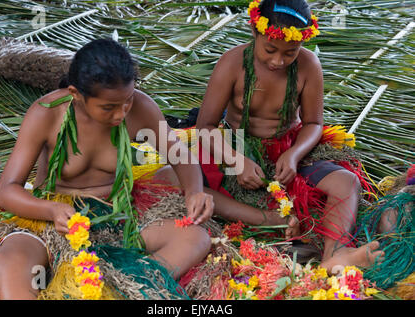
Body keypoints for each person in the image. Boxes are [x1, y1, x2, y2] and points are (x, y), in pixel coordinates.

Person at [157, 0, 384, 274]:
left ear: (302, 41)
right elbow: (205, 127)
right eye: (270, 50)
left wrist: (294, 155)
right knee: (179, 180)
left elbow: (313, 123)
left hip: (289, 147)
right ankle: (265, 219)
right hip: (234, 145)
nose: (278, 61)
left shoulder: (308, 65)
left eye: (290, 52)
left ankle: (335, 252)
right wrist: (236, 160)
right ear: (254, 31)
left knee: (346, 183)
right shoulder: (232, 63)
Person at [0, 38, 214, 299]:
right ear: (76, 94)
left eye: (127, 101)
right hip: (53, 218)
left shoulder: (141, 108)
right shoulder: (46, 113)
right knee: (11, 262)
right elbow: (7, 190)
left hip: (119, 215)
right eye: (108, 107)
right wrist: (51, 210)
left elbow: (180, 156)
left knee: (195, 239)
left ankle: (125, 284)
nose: (121, 114)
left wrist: (194, 192)